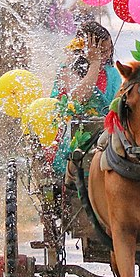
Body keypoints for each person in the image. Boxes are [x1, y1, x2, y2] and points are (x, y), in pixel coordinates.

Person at [51, 21, 122, 177]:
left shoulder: (113, 74)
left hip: (106, 134)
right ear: (84, 50)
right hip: (75, 135)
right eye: (100, 52)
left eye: (108, 51)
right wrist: (94, 63)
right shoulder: (68, 70)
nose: (106, 56)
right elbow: (79, 98)